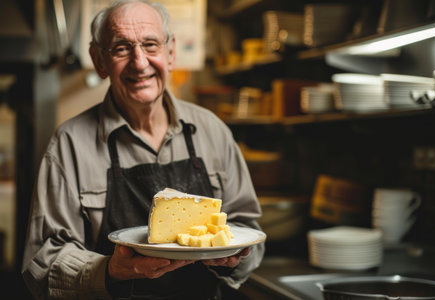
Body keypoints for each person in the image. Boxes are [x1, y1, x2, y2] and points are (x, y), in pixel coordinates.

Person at [21, 0, 265, 299]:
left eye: (150, 45)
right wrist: (112, 270)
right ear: (99, 61)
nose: (139, 62)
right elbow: (41, 264)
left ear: (171, 52)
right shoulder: (69, 143)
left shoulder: (212, 131)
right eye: (121, 48)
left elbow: (250, 233)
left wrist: (233, 258)